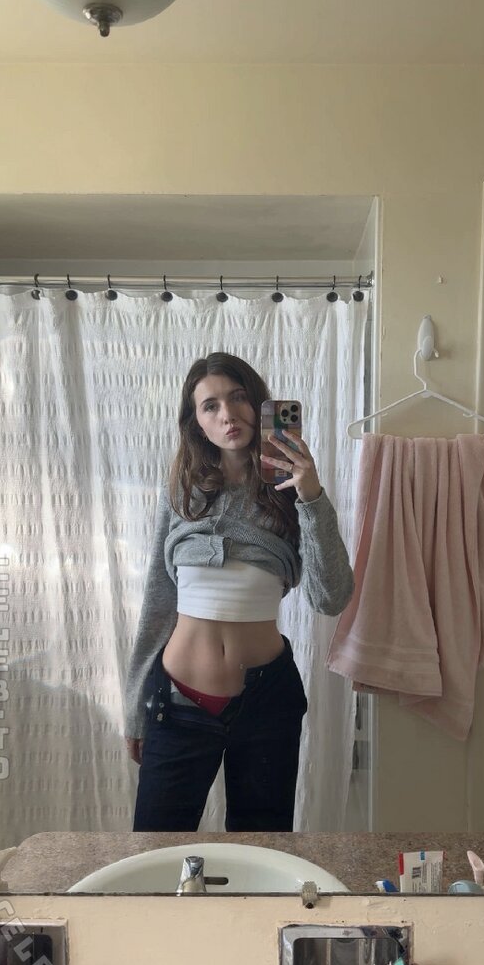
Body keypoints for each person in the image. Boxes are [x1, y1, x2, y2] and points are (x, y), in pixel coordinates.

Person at [124, 351, 354, 832]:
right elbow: (158, 600)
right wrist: (133, 707)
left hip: (266, 702)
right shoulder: (182, 491)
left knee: (262, 852)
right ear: (197, 423)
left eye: (238, 398)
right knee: (155, 849)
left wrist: (311, 495)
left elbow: (330, 597)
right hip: (178, 701)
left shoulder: (293, 495)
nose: (227, 414)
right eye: (210, 406)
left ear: (259, 404)